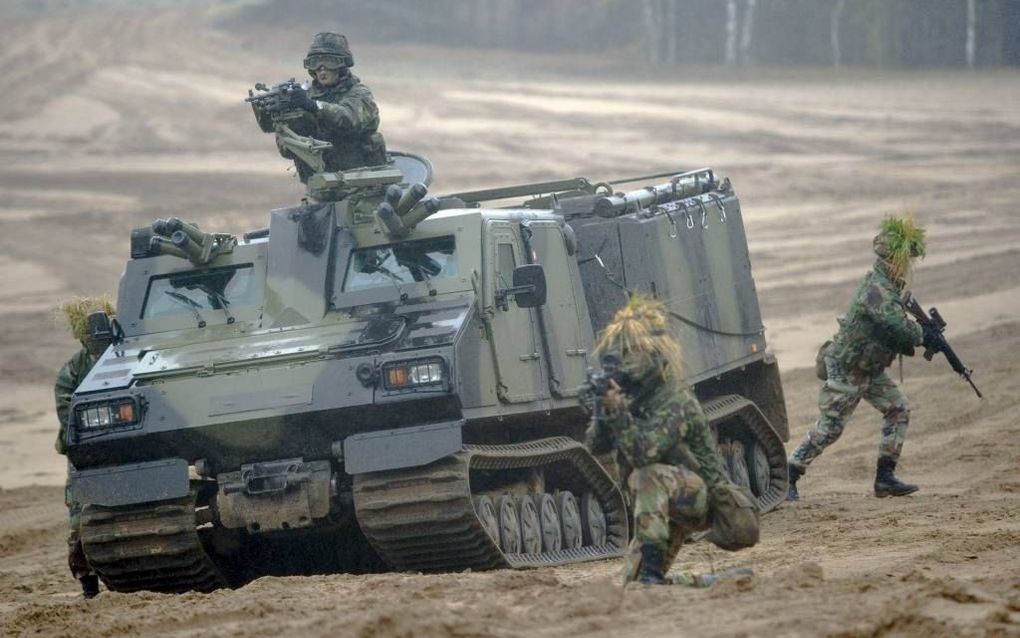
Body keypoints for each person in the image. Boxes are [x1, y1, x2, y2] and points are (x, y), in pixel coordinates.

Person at [582, 296, 757, 585]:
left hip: (700, 497)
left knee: (647, 475)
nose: (624, 362)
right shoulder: (633, 396)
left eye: (631, 352)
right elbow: (596, 446)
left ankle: (652, 575)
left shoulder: (675, 400)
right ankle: (714, 582)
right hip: (662, 498)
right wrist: (603, 410)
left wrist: (619, 413)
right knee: (632, 587)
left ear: (652, 354)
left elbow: (643, 454)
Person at [787, 215, 928, 501]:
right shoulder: (876, 288)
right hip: (847, 366)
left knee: (898, 408)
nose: (908, 266)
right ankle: (789, 474)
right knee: (830, 428)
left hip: (869, 368)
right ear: (892, 260)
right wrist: (921, 333)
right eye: (904, 260)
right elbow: (894, 324)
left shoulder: (888, 287)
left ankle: (885, 478)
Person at [252, 32, 387, 182]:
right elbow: (287, 151)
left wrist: (314, 106)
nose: (322, 69)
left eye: (329, 62)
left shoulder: (359, 94)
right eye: (315, 62)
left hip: (364, 186)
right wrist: (291, 120)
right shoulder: (305, 96)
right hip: (322, 189)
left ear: (342, 65)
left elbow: (349, 119)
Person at [54, 295, 115, 598]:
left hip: (125, 449)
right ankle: (88, 583)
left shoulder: (125, 356)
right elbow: (69, 417)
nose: (95, 340)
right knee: (81, 523)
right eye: (89, 334)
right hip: (87, 455)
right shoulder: (73, 371)